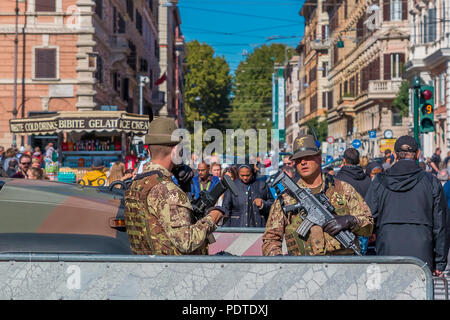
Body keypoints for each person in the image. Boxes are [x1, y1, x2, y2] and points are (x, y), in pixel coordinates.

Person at [124, 117, 224, 255]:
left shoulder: (136, 184)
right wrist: (213, 217)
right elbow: (186, 242)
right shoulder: (167, 191)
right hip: (174, 272)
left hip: (146, 269)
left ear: (148, 151)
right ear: (176, 151)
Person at [262, 134, 373, 256]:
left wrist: (351, 221)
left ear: (319, 159)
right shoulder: (286, 197)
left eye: (308, 157)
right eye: (298, 160)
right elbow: (270, 239)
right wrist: (281, 262)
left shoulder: (343, 189)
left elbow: (368, 225)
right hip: (302, 269)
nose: (303, 162)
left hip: (341, 267)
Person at [365, 135, 449, 275]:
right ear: (417, 154)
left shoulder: (379, 181)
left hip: (387, 248)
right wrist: (440, 261)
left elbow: (366, 217)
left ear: (393, 155)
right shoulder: (431, 182)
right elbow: (441, 224)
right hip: (421, 252)